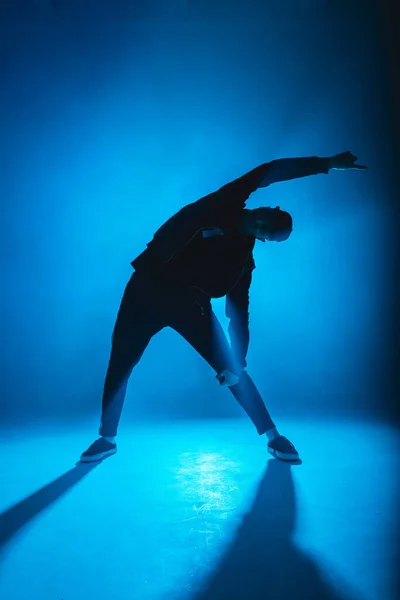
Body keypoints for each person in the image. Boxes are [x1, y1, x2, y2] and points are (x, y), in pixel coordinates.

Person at [80, 151, 366, 464]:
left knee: (232, 366)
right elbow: (268, 171)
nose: (258, 222)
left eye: (263, 229)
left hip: (188, 304)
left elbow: (239, 311)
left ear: (264, 238)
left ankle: (273, 436)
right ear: (269, 206)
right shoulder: (228, 200)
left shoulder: (243, 261)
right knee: (121, 361)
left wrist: (237, 360)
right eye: (265, 217)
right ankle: (106, 439)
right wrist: (325, 164)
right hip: (145, 288)